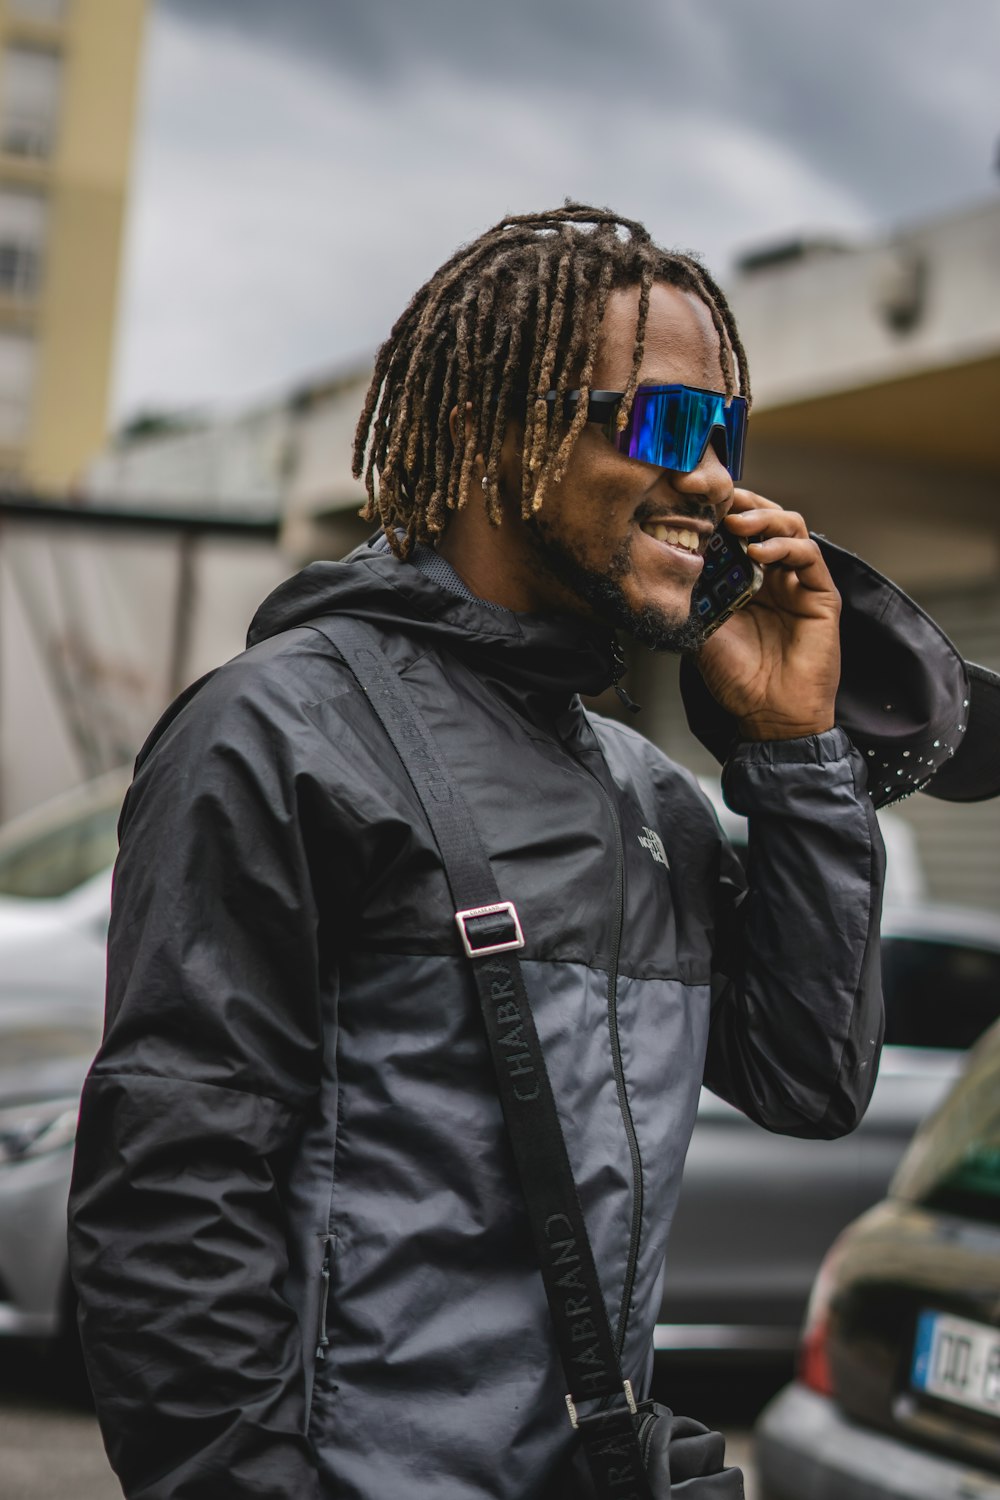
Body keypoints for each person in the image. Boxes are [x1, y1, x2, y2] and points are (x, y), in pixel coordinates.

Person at [68, 204, 885, 1500]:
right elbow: (170, 1211)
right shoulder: (282, 735)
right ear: (494, 432)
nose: (719, 482)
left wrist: (795, 751)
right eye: (670, 425)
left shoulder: (645, 796)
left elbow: (810, 1079)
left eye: (726, 434)